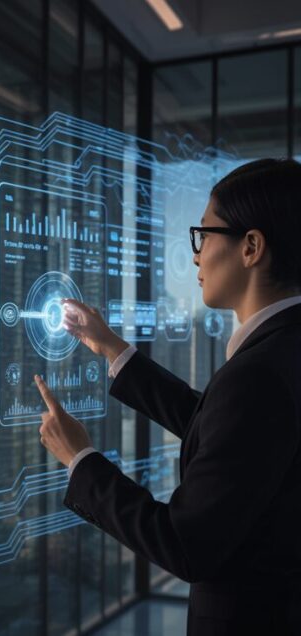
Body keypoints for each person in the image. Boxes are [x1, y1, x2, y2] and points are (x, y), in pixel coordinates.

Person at [34, 158, 301, 635]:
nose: (196, 256)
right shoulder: (285, 347)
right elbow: (224, 432)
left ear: (251, 247)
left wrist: (80, 458)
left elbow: (183, 544)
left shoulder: (259, 373)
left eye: (204, 235)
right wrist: (112, 348)